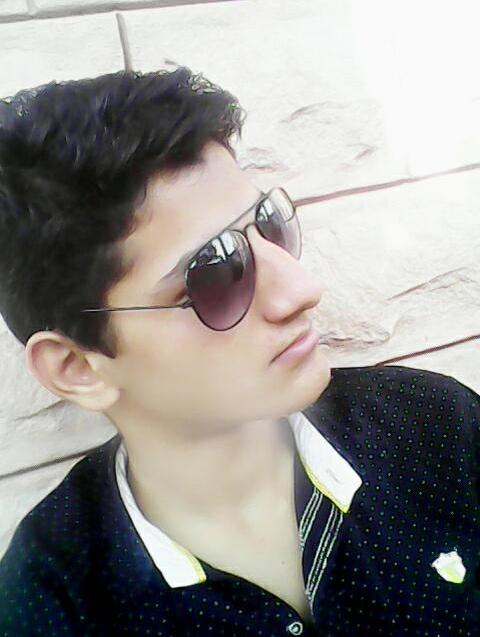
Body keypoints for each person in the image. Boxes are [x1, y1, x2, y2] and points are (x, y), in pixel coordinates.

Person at [0, 67, 478, 637]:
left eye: (269, 225)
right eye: (215, 273)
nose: (301, 289)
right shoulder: (51, 604)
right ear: (78, 368)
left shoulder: (434, 428)